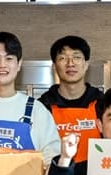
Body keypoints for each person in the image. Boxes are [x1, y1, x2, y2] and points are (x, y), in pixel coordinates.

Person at [0, 31, 62, 170]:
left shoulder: (37, 110)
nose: (2, 65)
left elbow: (52, 158)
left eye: (9, 58)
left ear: (19, 64)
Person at [38, 35, 103, 165]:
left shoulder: (103, 103)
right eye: (63, 58)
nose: (70, 63)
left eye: (76, 57)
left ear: (86, 65)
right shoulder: (42, 106)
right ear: (54, 66)